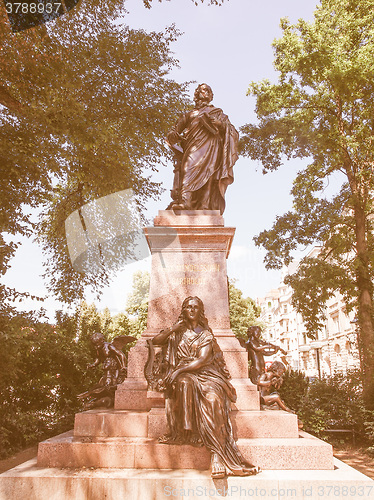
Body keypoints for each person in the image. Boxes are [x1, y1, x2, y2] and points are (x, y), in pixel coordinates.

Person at [152, 296, 260, 479]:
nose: (192, 310)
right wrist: (172, 329)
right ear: (184, 310)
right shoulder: (177, 332)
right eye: (188, 307)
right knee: (184, 383)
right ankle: (189, 431)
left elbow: (202, 359)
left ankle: (216, 454)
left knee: (213, 398)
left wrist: (178, 371)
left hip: (206, 373)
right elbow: (156, 341)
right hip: (185, 374)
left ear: (200, 311)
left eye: (196, 307)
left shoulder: (206, 334)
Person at [166, 83, 239, 214]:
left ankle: (205, 206)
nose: (204, 92)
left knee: (209, 174)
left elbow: (233, 132)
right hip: (192, 147)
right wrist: (173, 135)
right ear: (197, 94)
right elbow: (173, 132)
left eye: (207, 90)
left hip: (212, 147)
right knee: (187, 169)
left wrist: (221, 125)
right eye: (202, 90)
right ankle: (185, 201)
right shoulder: (189, 114)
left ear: (211, 96)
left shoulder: (218, 113)